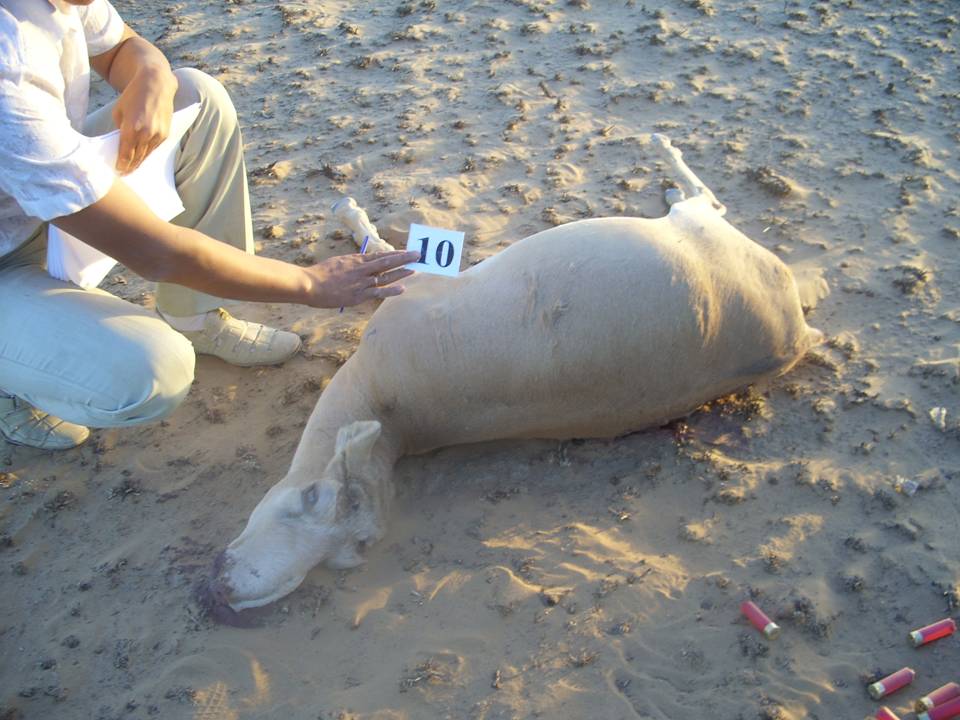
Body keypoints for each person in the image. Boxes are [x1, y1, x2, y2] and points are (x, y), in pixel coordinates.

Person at [0, 0, 419, 451]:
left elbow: (120, 44)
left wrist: (150, 74)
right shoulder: (9, 71)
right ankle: (14, 385)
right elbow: (156, 253)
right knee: (152, 371)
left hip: (31, 199)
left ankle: (192, 318)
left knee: (195, 95)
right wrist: (309, 283)